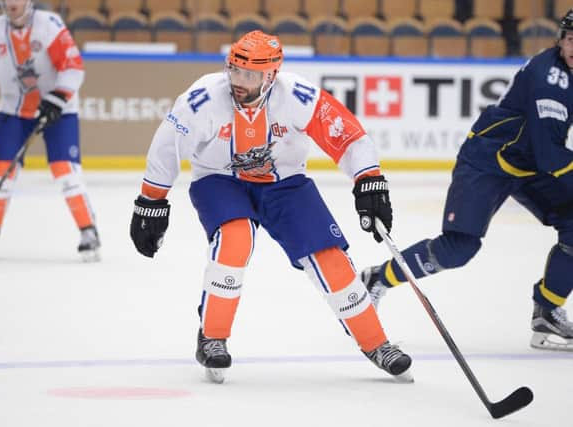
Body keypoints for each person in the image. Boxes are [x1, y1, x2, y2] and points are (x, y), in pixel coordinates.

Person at [129, 30, 413, 383]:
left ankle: (376, 343)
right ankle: (212, 336)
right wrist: (150, 202)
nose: (238, 81)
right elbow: (165, 147)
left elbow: (347, 134)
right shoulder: (202, 99)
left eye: (249, 75)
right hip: (220, 180)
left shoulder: (297, 96)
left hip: (285, 185)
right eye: (234, 70)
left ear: (271, 76)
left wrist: (368, 179)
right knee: (235, 240)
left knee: (330, 257)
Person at [361, 9, 573, 352]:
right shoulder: (550, 78)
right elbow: (551, 156)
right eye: (570, 38)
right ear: (561, 39)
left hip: (528, 161)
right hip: (489, 160)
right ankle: (378, 277)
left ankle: (547, 312)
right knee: (459, 248)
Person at [0, 0, 100, 263]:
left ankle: (88, 230)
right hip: (14, 109)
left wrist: (57, 98)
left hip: (58, 107)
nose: (12, 3)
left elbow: (72, 65)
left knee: (65, 170)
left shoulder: (49, 26)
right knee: (1, 171)